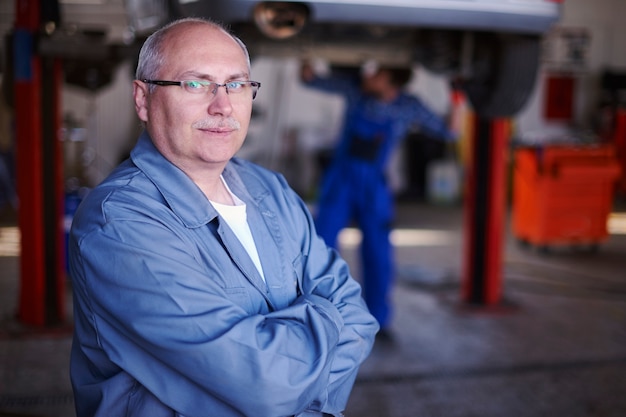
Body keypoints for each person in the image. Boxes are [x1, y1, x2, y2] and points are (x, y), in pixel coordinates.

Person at [68, 18, 378, 417]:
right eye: (195, 84)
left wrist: (295, 371)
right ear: (143, 99)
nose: (223, 105)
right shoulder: (118, 225)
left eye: (236, 84)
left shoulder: (270, 189)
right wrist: (326, 323)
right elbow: (267, 384)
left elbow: (358, 315)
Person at [300, 60, 456, 340]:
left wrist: (456, 97)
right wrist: (307, 55)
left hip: (374, 186)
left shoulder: (409, 106)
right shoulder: (355, 90)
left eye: (377, 74)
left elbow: (449, 131)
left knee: (378, 253)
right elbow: (310, 80)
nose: (368, 75)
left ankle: (378, 321)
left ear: (390, 81)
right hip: (341, 182)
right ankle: (318, 315)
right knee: (321, 247)